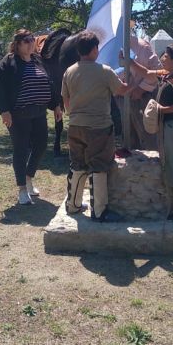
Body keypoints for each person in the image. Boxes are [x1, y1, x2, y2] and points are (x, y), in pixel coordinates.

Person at [124, 43, 173, 219]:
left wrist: (162, 110)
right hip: (167, 126)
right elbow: (148, 74)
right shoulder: (168, 74)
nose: (162, 58)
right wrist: (129, 62)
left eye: (166, 56)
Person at [61, 30, 129, 221]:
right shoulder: (104, 71)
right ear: (93, 50)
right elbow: (121, 90)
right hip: (99, 127)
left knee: (77, 164)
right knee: (99, 166)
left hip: (75, 126)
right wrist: (130, 81)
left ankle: (73, 205)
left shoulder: (69, 71)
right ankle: (99, 211)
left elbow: (66, 100)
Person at [0, 29, 63, 205]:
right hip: (18, 115)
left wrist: (55, 105)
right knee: (21, 149)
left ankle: (29, 177)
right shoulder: (8, 63)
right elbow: (0, 88)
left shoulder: (37, 60)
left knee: (40, 146)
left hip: (39, 112)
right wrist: (4, 110)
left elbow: (49, 83)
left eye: (32, 40)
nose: (31, 43)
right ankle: (23, 189)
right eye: (26, 41)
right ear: (17, 44)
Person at [115, 34, 160, 149]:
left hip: (141, 97)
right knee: (128, 133)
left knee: (146, 132)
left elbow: (156, 71)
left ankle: (153, 160)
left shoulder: (142, 46)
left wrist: (141, 89)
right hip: (122, 97)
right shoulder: (113, 46)